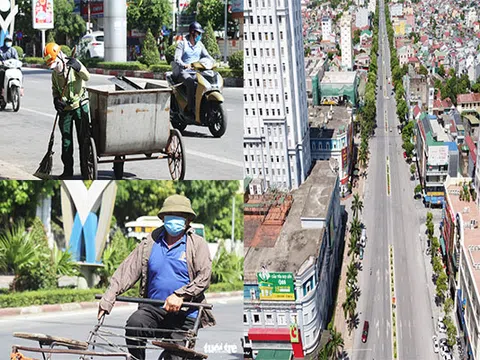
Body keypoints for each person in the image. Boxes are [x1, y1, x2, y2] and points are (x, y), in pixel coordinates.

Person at [98, 194, 215, 360]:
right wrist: (108, 298)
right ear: (163, 218)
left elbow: (204, 277)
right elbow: (128, 270)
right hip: (154, 308)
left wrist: (180, 294)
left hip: (185, 313)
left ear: (188, 220)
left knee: (174, 357)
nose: (174, 220)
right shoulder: (151, 241)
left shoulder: (197, 244)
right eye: (171, 216)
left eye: (180, 216)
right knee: (134, 325)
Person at [43, 42, 90, 179]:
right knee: (66, 142)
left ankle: (85, 171)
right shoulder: (54, 74)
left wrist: (79, 67)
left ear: (60, 57)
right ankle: (68, 172)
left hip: (80, 106)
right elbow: (54, 89)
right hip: (65, 110)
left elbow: (87, 77)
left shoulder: (74, 65)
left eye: (55, 64)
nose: (55, 68)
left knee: (84, 140)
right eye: (52, 66)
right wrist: (56, 99)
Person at [173, 22, 214, 115]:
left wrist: (214, 62)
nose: (199, 35)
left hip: (197, 71)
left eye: (200, 34)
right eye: (198, 33)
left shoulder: (200, 44)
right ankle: (190, 109)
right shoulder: (182, 44)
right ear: (192, 32)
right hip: (184, 72)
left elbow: (207, 55)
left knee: (206, 81)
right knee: (190, 82)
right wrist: (184, 64)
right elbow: (177, 58)